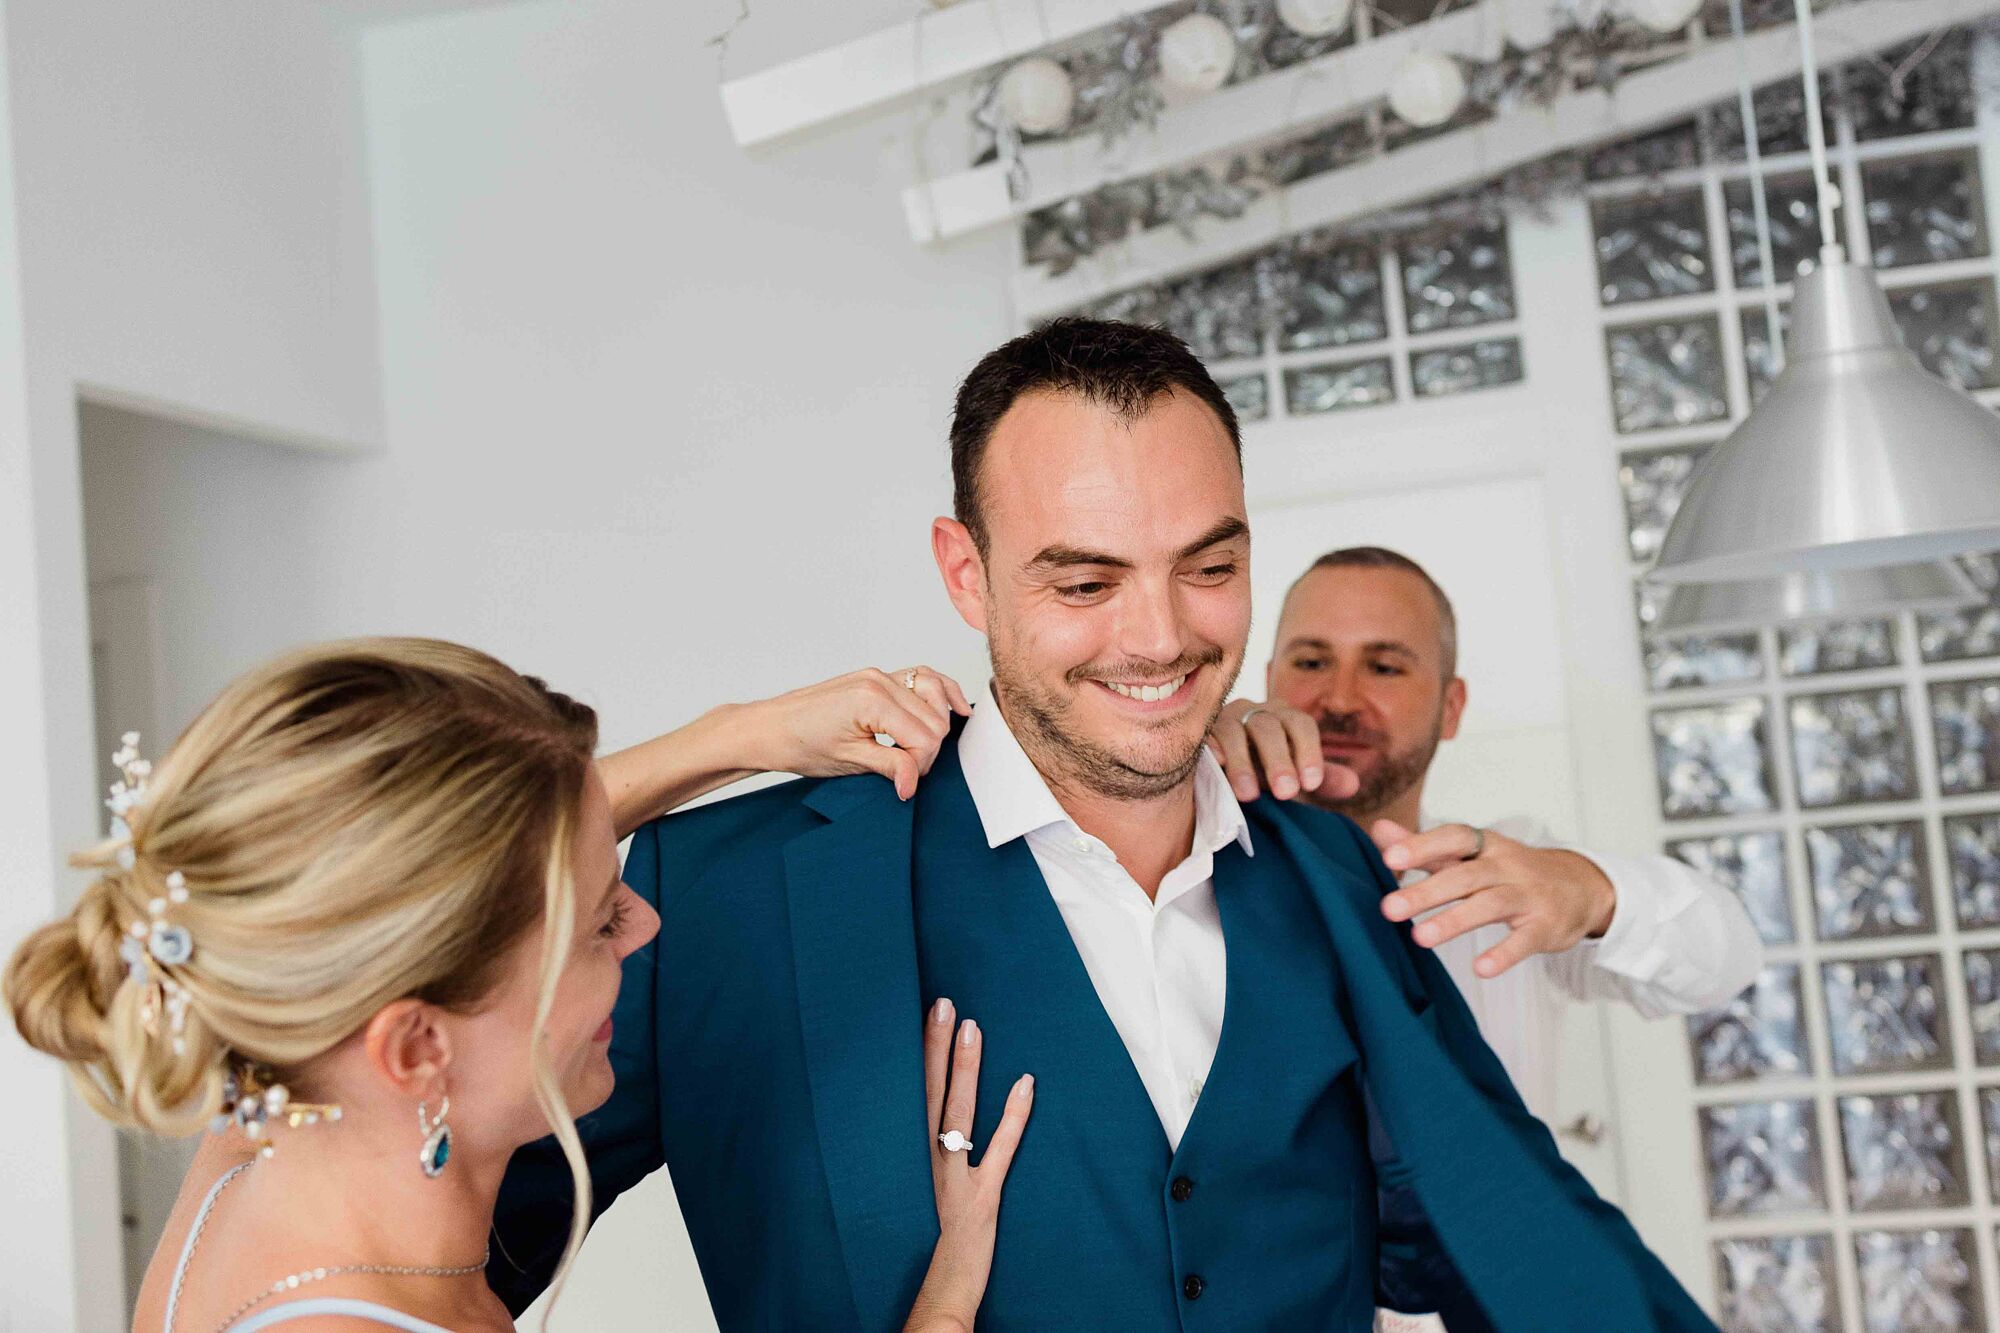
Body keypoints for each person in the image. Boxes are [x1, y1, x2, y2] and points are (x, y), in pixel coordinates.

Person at [493, 319, 1719, 1331]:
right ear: (964, 573)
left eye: (1207, 567)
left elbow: (1493, 1235)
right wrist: (716, 740)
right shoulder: (727, 893)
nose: (1158, 638)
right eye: (1083, 582)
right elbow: (439, 1235)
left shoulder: (1334, 874)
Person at [4, 639, 1029, 1331]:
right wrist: (939, 1305)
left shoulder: (274, 1087)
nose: (647, 924)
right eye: (597, 924)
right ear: (413, 1045)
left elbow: (410, 867)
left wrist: (736, 736)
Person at [1206, 546, 1764, 1119]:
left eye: (1384, 667)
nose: (1341, 699)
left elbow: (1727, 959)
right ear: (1270, 682)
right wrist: (1189, 767)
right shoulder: (1193, 857)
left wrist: (1591, 893)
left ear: (1451, 708)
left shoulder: (1515, 881)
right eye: (1311, 662)